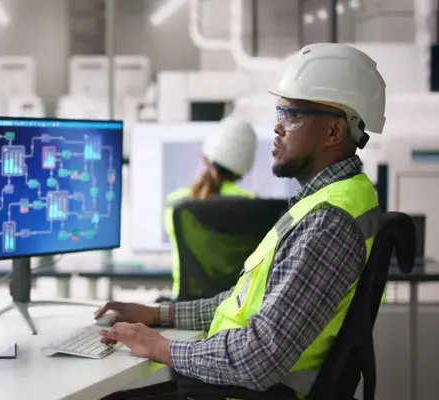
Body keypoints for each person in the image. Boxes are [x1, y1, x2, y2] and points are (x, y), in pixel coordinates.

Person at [96, 42, 386, 399]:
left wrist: (159, 347)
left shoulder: (329, 221)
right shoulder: (324, 203)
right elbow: (240, 303)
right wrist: (160, 314)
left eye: (291, 115)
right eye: (279, 113)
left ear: (334, 132)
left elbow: (259, 357)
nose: (278, 128)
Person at [164, 116, 257, 298]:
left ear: (205, 159)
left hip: (185, 309)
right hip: (234, 310)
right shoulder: (253, 207)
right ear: (244, 169)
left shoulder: (176, 205)